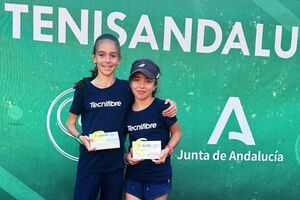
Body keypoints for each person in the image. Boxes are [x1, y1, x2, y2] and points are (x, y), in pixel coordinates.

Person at [66, 34, 177, 200]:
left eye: (113, 55)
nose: (107, 60)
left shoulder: (126, 89)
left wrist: (170, 104)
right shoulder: (84, 89)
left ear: (119, 59)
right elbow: (70, 123)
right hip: (89, 165)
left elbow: (146, 99)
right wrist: (80, 137)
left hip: (116, 167)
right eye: (102, 54)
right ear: (94, 58)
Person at [124, 59, 182, 200]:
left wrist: (166, 151)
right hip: (134, 176)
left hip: (158, 176)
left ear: (155, 85)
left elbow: (177, 133)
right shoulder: (125, 111)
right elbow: (120, 142)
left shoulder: (163, 107)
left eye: (148, 81)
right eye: (137, 80)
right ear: (130, 83)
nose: (141, 86)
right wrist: (127, 157)